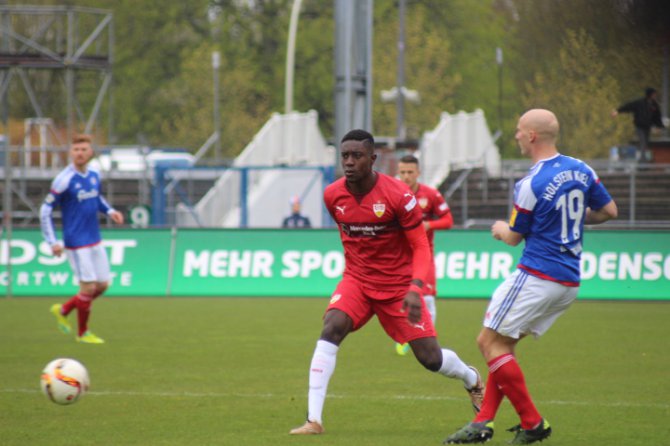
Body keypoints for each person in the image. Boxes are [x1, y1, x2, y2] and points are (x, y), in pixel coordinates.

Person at [289, 129, 484, 436]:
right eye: (344, 156)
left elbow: (420, 246)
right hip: (357, 280)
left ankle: (471, 378)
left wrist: (415, 288)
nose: (349, 162)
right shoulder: (332, 195)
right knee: (331, 326)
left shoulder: (398, 196)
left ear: (373, 158)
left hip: (398, 287)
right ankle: (314, 419)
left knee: (430, 359)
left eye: (357, 156)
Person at [444, 109, 617, 445]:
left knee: (487, 342)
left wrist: (499, 229)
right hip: (568, 281)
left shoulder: (530, 184)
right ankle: (483, 422)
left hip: (537, 275)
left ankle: (533, 422)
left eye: (519, 131)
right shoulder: (582, 169)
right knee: (503, 347)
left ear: (533, 136)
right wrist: (573, 222)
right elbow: (610, 211)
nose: (516, 136)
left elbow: (513, 237)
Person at [40, 134, 124, 344]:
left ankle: (64, 309)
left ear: (91, 152)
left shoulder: (94, 175)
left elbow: (96, 198)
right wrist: (53, 242)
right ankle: (83, 333)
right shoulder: (63, 180)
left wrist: (110, 210)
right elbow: (45, 210)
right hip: (76, 242)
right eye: (76, 149)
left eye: (84, 149)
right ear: (71, 152)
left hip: (94, 238)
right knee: (87, 287)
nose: (80, 153)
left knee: (102, 285)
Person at [394, 154, 453, 355]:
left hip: (423, 256)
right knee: (397, 298)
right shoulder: (393, 193)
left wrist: (429, 224)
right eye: (402, 172)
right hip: (399, 258)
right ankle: (404, 337)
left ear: (418, 173)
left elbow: (448, 220)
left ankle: (429, 341)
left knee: (426, 298)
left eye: (410, 172)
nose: (406, 176)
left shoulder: (431, 195)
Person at [611, 87, 665, 162]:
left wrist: (660, 126)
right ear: (650, 94)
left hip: (647, 127)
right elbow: (628, 106)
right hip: (639, 126)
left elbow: (657, 117)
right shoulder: (640, 103)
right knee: (643, 141)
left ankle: (644, 158)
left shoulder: (654, 105)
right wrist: (618, 111)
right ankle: (642, 160)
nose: (655, 96)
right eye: (654, 94)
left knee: (646, 142)